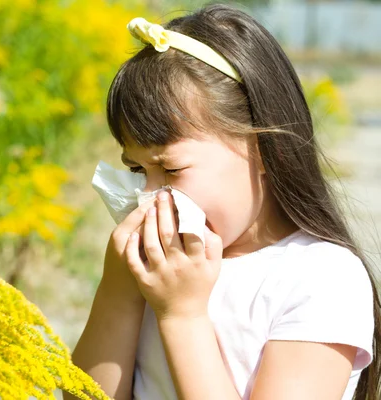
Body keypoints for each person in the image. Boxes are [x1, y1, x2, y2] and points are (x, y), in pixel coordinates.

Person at [63, 4, 380, 400]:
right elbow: (83, 395)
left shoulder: (320, 277)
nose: (148, 197)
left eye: (171, 170)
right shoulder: (154, 267)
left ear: (264, 150)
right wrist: (118, 289)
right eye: (137, 171)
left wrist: (182, 315)